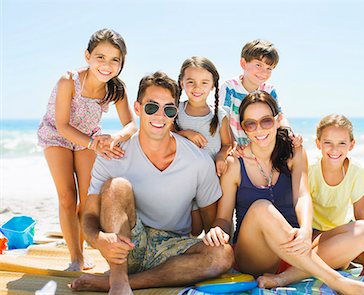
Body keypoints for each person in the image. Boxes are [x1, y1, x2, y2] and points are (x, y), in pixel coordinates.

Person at [203, 91, 364, 295]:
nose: (259, 129)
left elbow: (302, 195)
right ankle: (340, 283)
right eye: (250, 124)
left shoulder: (294, 153)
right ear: (243, 127)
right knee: (262, 208)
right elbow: (223, 219)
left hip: (295, 251)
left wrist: (306, 230)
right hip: (255, 256)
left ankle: (286, 277)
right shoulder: (235, 163)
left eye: (266, 121)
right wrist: (217, 229)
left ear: (277, 120)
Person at [70, 72, 234, 295]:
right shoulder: (113, 155)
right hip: (127, 245)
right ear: (137, 108)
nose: (159, 115)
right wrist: (99, 239)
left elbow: (211, 222)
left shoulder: (198, 160)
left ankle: (126, 282)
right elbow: (88, 215)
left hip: (172, 249)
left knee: (222, 254)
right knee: (117, 186)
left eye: (168, 109)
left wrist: (217, 232)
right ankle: (118, 280)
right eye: (151, 107)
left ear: (175, 113)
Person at [37, 28, 137, 271]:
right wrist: (93, 143)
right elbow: (62, 125)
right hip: (57, 136)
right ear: (87, 56)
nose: (107, 65)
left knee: (87, 199)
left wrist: (115, 136)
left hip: (88, 139)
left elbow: (132, 124)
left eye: (115, 60)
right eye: (100, 57)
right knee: (67, 197)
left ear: (122, 63)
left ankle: (87, 249)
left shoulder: (116, 89)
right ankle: (76, 257)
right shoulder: (69, 81)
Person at [255, 114, 364, 288]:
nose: (334, 149)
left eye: (342, 143)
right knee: (359, 246)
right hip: (311, 235)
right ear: (318, 144)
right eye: (328, 143)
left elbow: (361, 216)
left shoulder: (356, 172)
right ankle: (285, 278)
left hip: (337, 233)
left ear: (351, 145)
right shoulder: (311, 169)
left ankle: (323, 263)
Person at [177, 56, 232, 235]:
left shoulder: (219, 114)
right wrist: (187, 133)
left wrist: (222, 156)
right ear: (181, 83)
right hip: (185, 180)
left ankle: (220, 256)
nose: (197, 87)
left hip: (211, 180)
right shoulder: (176, 110)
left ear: (213, 85)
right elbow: (165, 135)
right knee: (194, 229)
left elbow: (227, 144)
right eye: (190, 81)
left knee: (212, 227)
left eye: (204, 82)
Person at [218, 39, 291, 146]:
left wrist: (289, 132)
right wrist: (231, 144)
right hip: (235, 146)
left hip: (261, 147)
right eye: (258, 65)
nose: (264, 72)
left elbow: (280, 117)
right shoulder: (230, 88)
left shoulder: (269, 90)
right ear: (243, 63)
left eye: (269, 68)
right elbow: (223, 118)